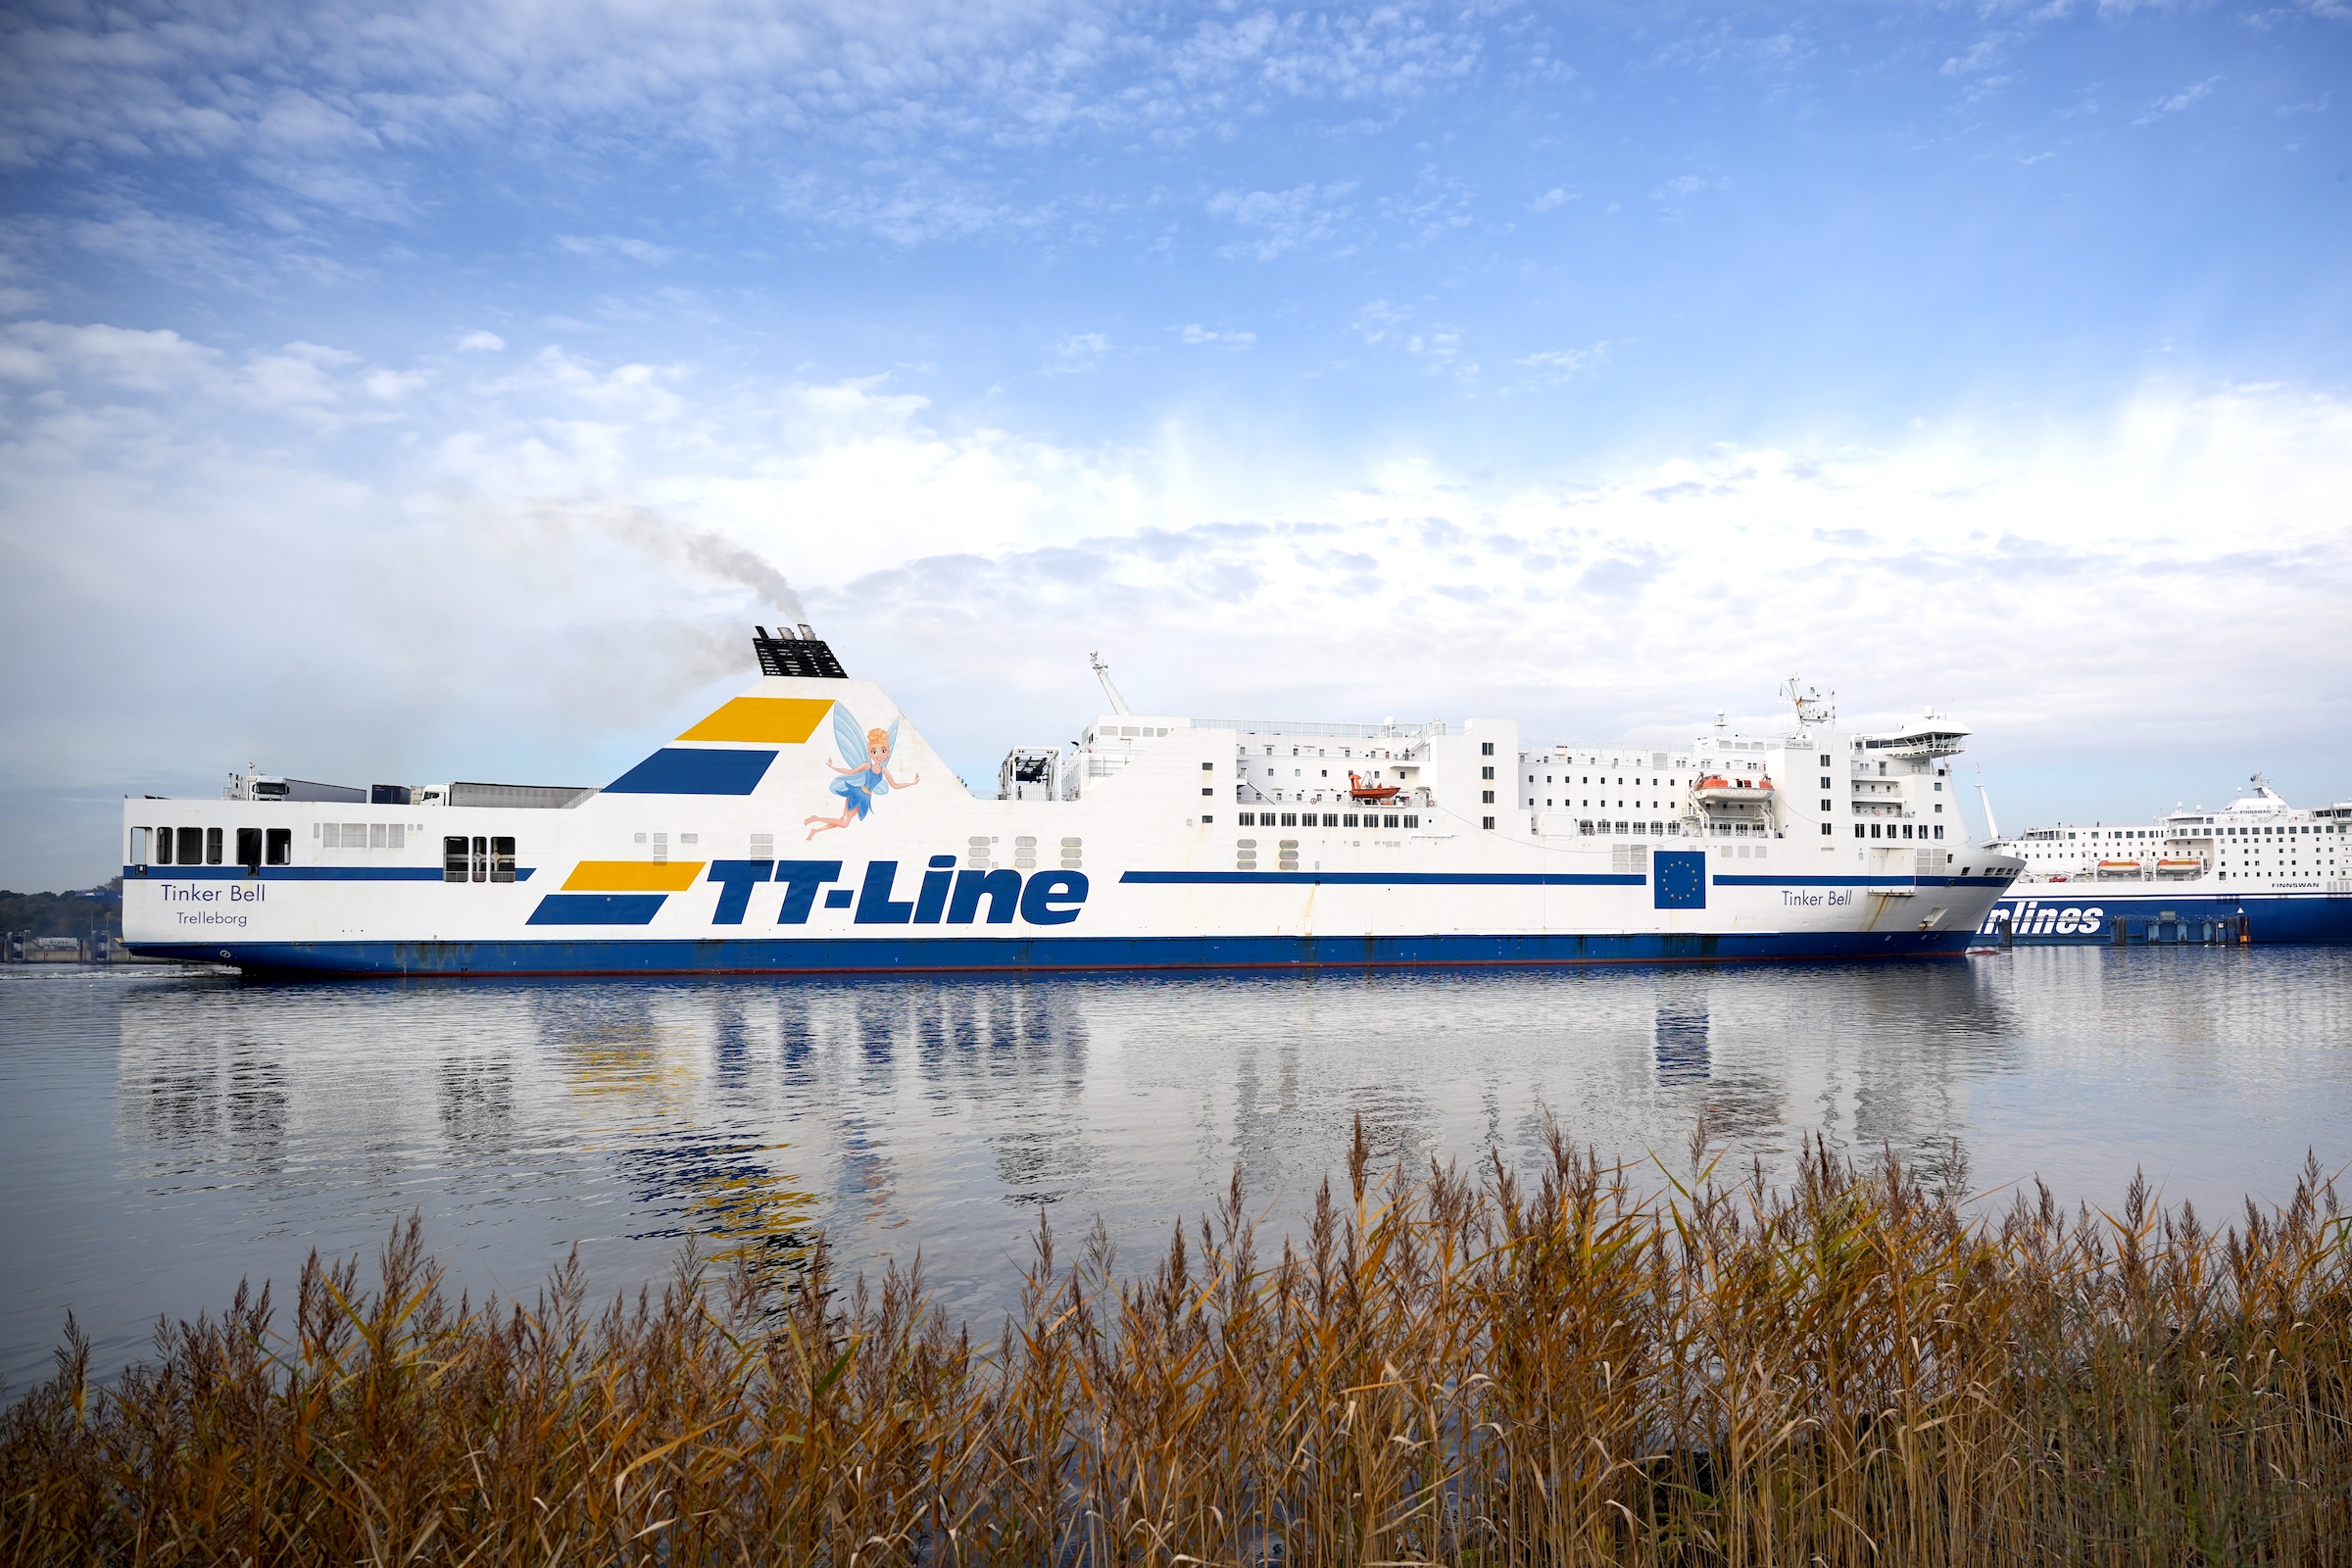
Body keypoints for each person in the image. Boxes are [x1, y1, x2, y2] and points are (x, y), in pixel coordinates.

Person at [805, 727, 921, 838]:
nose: (879, 754)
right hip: (857, 794)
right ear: (869, 753)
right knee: (844, 823)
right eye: (874, 751)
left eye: (883, 750)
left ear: (888, 752)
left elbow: (895, 785)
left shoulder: (883, 770)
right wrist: (834, 767)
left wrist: (912, 783)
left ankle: (815, 831)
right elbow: (851, 772)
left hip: (866, 799)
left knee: (843, 821)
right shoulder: (867, 765)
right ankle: (816, 818)